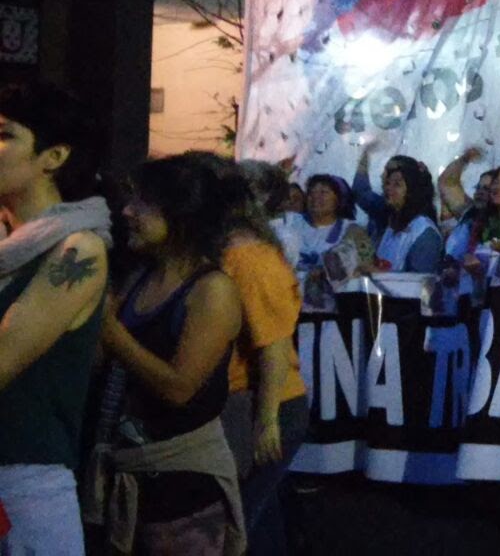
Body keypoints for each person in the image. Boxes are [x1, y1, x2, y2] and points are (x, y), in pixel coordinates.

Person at [91, 155, 246, 554]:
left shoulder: (212, 291)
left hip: (182, 489)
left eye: (143, 202)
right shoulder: (139, 278)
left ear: (181, 216)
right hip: (132, 474)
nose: (127, 211)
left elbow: (179, 389)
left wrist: (110, 330)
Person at [0, 82, 110, 555]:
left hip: (23, 487)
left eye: (5, 135)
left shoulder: (77, 250)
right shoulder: (7, 246)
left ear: (55, 156)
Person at [190, 154, 310, 555]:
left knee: (235, 523)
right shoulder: (228, 251)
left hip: (259, 403)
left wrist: (267, 420)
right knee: (258, 524)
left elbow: (273, 345)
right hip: (246, 403)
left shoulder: (249, 258)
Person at [439, 149, 500, 287]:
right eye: (478, 188)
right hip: (469, 294)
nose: (497, 188)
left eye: (486, 188)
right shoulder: (475, 218)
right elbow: (447, 183)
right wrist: (465, 158)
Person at [373, 159, 443, 273]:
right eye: (388, 183)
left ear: (412, 191)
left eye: (397, 184)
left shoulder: (424, 232)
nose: (388, 188)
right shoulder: (392, 225)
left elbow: (418, 280)